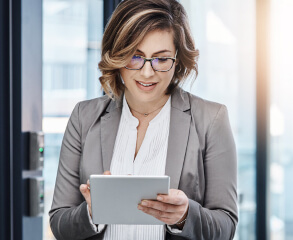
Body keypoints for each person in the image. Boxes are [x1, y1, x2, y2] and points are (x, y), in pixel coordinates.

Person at [49, 0, 238, 239]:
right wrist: (90, 212)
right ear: (116, 56)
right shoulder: (84, 118)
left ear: (177, 59)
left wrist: (185, 216)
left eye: (161, 59)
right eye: (135, 57)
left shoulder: (211, 119)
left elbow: (226, 226)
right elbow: (59, 223)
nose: (147, 72)